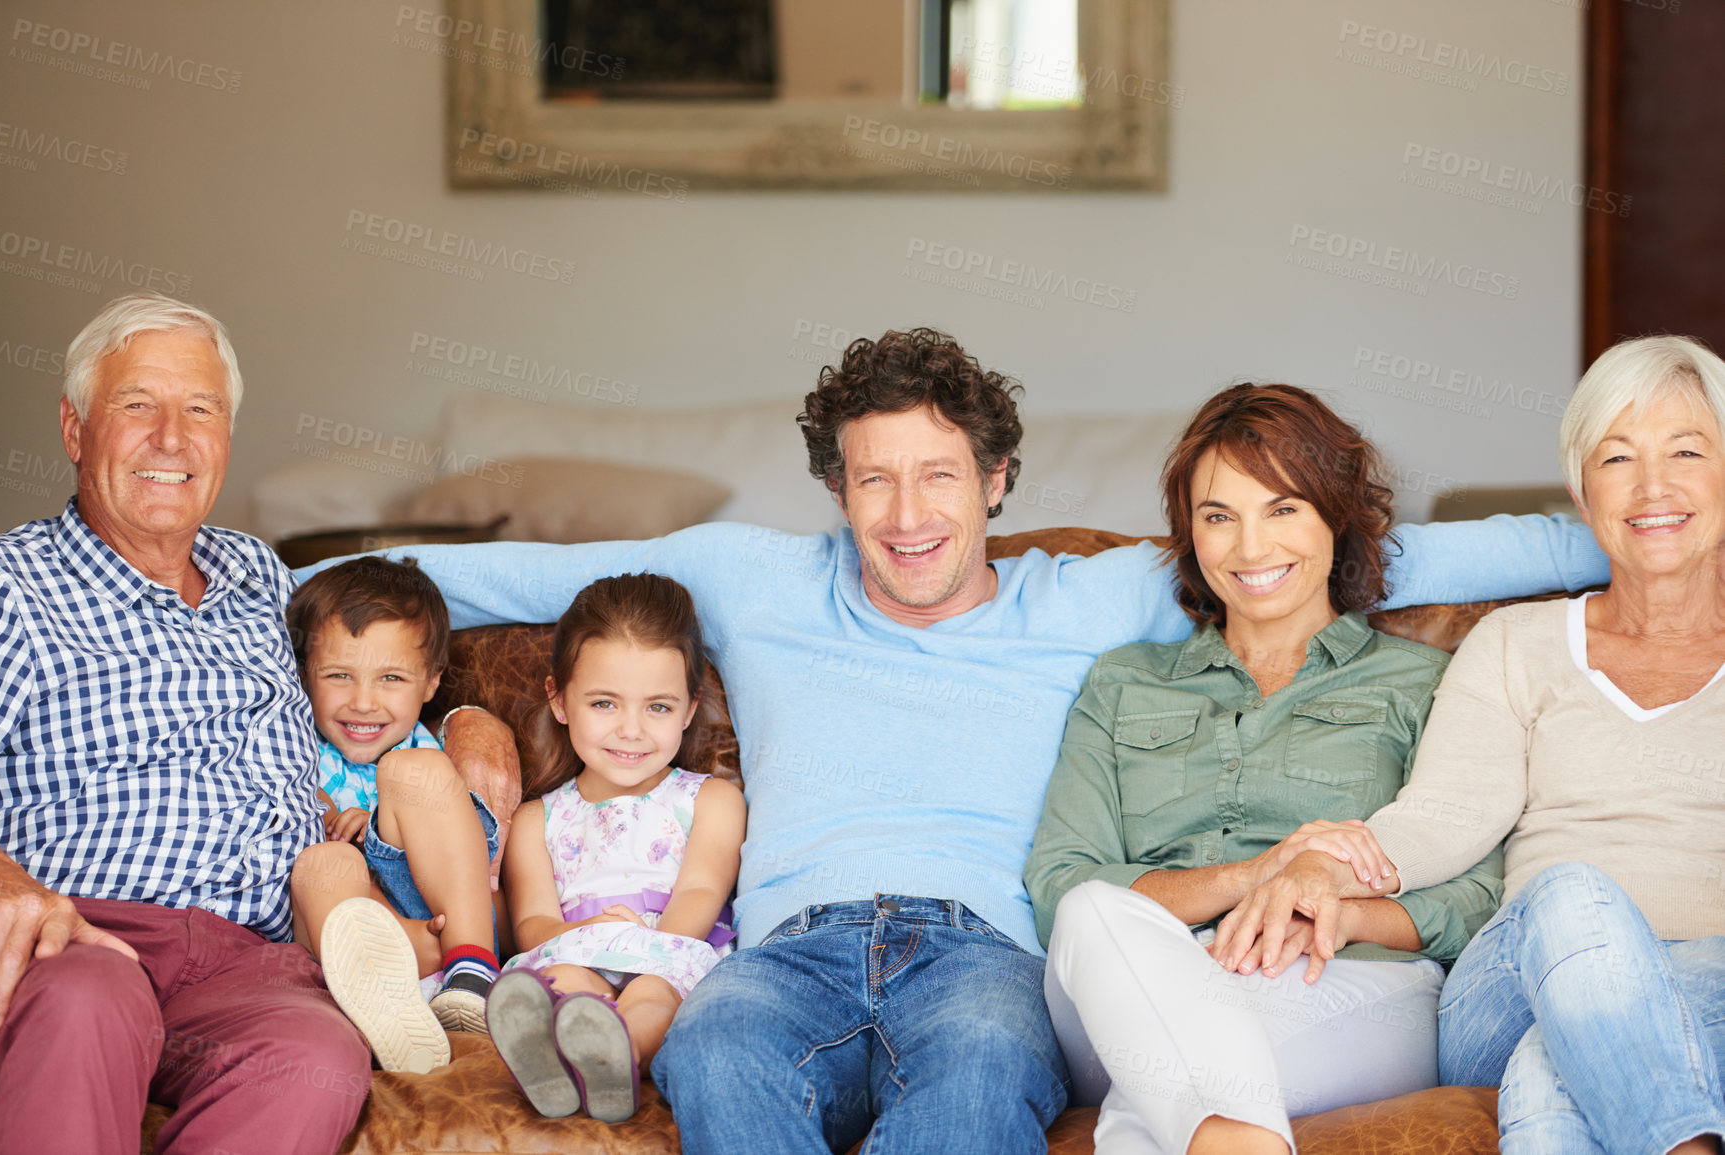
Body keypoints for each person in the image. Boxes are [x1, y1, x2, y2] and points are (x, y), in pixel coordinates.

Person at [301, 328, 1612, 1154]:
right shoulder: (753, 580)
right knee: (712, 1045)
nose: (906, 511)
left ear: (994, 482)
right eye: (872, 476)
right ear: (835, 490)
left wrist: (1621, 532)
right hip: (792, 941)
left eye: (938, 475)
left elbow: (1370, 549)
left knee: (988, 1065)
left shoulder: (1089, 595)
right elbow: (521, 570)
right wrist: (271, 587)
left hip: (984, 947)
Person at [1213, 335, 1725, 1154]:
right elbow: (1440, 815)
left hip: (1709, 981)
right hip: (1514, 979)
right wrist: (1321, 864)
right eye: (1617, 457)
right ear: (1580, 493)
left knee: (1550, 1066)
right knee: (1570, 895)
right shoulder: (1515, 644)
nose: (1651, 485)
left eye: (1686, 450)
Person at [1024, 383, 1503, 1155]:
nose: (1250, 549)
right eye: (1218, 517)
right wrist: (1262, 875)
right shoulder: (1124, 681)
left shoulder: (1422, 679)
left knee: (1155, 1101)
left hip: (1342, 980)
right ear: (1188, 532)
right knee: (1090, 908)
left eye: (1282, 508)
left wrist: (1333, 910)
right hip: (1133, 979)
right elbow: (1058, 886)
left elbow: (1478, 894)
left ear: (1335, 517)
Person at [0, 293, 369, 1154]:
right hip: (84, 932)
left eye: (200, 409)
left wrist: (467, 717)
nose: (171, 437)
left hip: (252, 960)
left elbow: (410, 612)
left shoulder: (264, 574)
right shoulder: (11, 585)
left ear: (226, 437)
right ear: (73, 428)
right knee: (85, 1003)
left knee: (317, 1054)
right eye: (137, 405)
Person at [485, 573, 744, 1124]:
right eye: (604, 703)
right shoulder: (537, 820)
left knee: (652, 993)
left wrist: (648, 939)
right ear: (559, 700)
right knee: (563, 985)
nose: (631, 731)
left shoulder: (711, 800)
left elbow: (702, 888)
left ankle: (619, 1052)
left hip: (671, 945)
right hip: (579, 949)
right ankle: (558, 1063)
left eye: (658, 707)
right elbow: (532, 921)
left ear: (690, 709)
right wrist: (589, 936)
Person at [285, 556, 503, 1072]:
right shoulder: (291, 746)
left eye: (391, 678)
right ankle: (384, 1007)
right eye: (339, 675)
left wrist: (373, 816)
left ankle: (474, 971)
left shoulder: (429, 747)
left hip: (443, 905)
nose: (363, 702)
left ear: (431, 683)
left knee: (413, 772)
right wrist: (324, 815)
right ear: (302, 677)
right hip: (379, 935)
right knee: (322, 863)